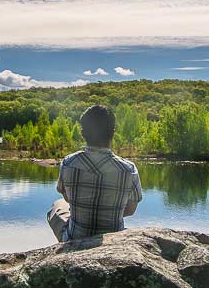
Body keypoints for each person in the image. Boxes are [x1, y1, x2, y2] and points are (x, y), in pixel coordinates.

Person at [47, 104, 142, 242]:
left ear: (83, 133)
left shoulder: (68, 162)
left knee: (58, 205)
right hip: (112, 240)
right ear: (113, 132)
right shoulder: (129, 169)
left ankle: (65, 248)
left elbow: (68, 199)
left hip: (74, 238)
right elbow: (130, 210)